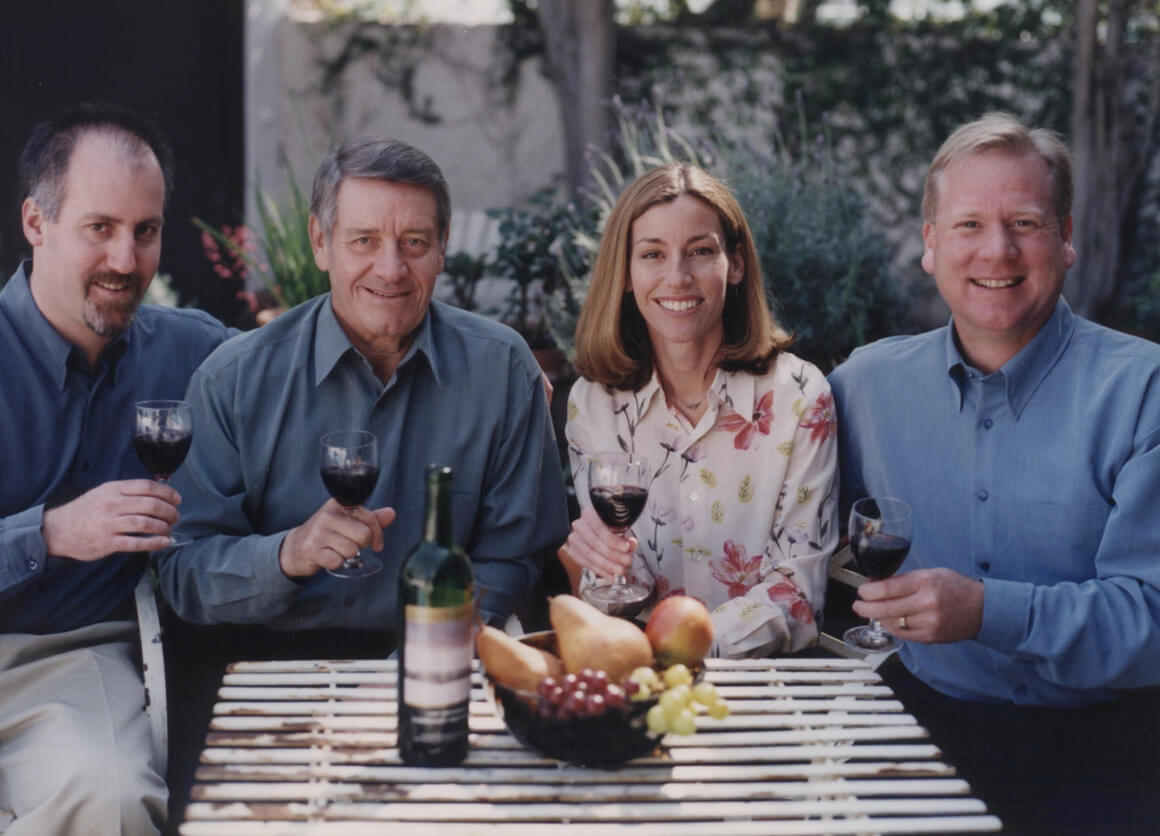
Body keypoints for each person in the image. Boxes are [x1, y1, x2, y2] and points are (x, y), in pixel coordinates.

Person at [829, 112, 1160, 833]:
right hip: (918, 739)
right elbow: (766, 503)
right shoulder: (863, 386)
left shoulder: (1145, 392)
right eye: (970, 224)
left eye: (1026, 223)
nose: (997, 250)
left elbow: (1152, 617)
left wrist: (986, 610)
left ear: (1066, 239)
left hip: (1116, 751)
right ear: (930, 244)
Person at [156, 136, 569, 642]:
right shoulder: (234, 379)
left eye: (414, 242)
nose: (391, 269)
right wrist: (288, 554)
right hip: (270, 673)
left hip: (442, 659)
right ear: (320, 242)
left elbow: (514, 559)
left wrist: (426, 656)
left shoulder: (503, 371)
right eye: (364, 241)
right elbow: (183, 573)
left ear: (442, 247)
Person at [0, 103, 233, 834]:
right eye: (99, 228)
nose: (125, 259)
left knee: (110, 797)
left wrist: (480, 354)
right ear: (35, 223)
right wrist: (45, 534)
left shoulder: (195, 354)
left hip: (61, 670)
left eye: (145, 231)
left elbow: (315, 369)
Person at [560, 163, 838, 658]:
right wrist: (603, 565)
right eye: (652, 254)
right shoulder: (594, 403)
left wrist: (688, 654)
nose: (678, 277)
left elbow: (798, 589)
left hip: (765, 690)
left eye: (700, 251)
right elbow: (618, 594)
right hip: (641, 680)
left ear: (735, 264)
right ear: (625, 273)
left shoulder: (799, 395)